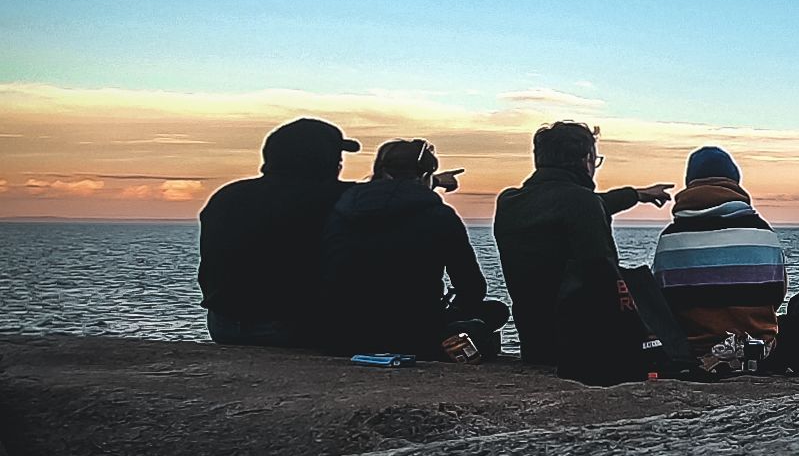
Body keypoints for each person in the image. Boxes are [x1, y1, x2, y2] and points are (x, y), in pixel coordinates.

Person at [492, 122, 673, 366]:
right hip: (584, 347)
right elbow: (603, 274)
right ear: (587, 159)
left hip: (534, 342)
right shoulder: (580, 202)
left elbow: (571, 204)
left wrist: (637, 195)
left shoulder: (510, 202)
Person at [322, 139, 509, 360]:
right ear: (425, 176)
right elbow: (472, 288)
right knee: (495, 311)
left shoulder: (342, 209)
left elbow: (395, 193)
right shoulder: (440, 217)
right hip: (414, 336)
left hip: (339, 333)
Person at [198, 117, 360, 346]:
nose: (340, 165)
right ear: (325, 160)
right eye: (338, 158)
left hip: (223, 324)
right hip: (292, 325)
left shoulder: (227, 196)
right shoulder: (339, 198)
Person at [653, 146, 788, 361]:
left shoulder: (670, 237)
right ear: (735, 182)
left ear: (690, 182)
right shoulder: (762, 232)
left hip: (695, 354)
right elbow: (777, 294)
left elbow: (664, 300)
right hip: (757, 352)